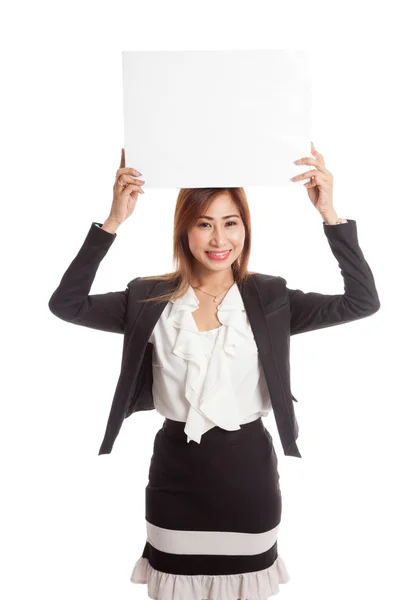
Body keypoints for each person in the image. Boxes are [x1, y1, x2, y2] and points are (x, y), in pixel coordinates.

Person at [48, 144, 380, 600]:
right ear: (184, 230)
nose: (219, 239)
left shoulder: (271, 298)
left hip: (249, 486)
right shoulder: (149, 298)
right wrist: (113, 221)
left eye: (231, 222)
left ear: (245, 227)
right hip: (174, 482)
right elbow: (67, 305)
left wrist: (330, 214)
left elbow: (362, 302)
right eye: (204, 223)